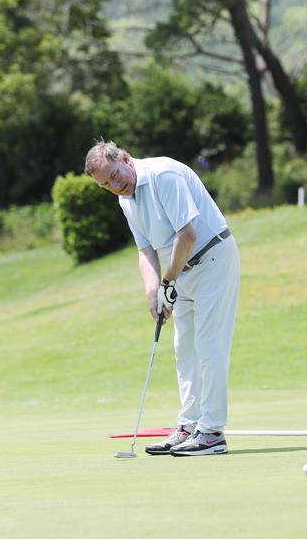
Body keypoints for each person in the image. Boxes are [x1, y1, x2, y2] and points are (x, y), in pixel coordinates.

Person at [84, 140, 241, 457]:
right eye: (106, 185)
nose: (115, 186)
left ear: (126, 159)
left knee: (209, 346)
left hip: (212, 261)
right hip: (181, 271)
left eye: (115, 175)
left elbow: (188, 234)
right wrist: (154, 292)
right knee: (185, 350)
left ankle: (212, 433)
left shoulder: (163, 174)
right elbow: (146, 250)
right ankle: (189, 426)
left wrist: (168, 280)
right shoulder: (126, 199)